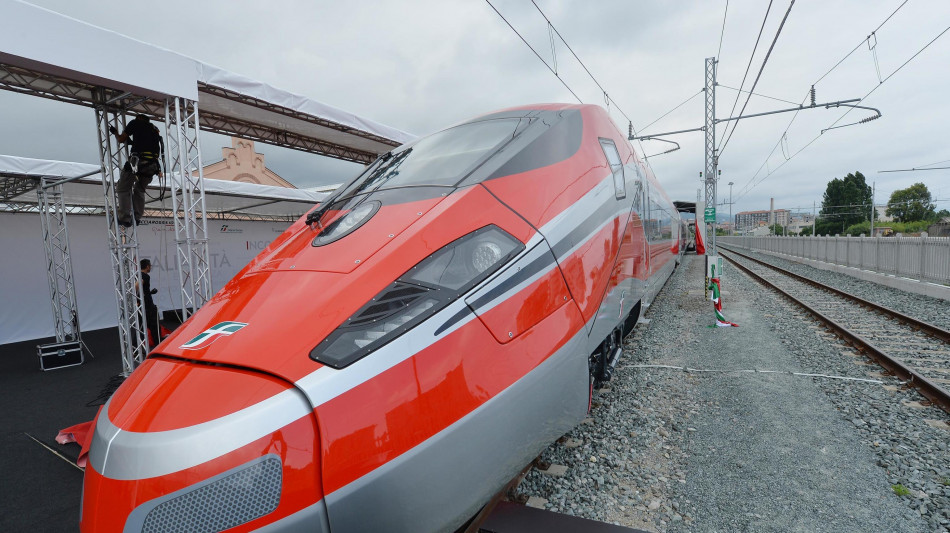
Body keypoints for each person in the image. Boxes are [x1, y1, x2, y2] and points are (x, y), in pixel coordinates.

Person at [109, 115, 163, 226]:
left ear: (138, 118)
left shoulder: (135, 123)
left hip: (138, 162)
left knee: (123, 188)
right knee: (140, 190)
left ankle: (125, 218)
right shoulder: (154, 129)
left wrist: (115, 133)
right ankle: (137, 217)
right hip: (152, 166)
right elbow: (143, 144)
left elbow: (121, 139)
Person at [140, 259, 161, 347]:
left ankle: (135, 346)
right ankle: (158, 344)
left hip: (142, 304)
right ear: (147, 266)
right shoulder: (145, 276)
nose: (150, 267)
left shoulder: (137, 275)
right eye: (150, 266)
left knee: (142, 326)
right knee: (154, 325)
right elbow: (137, 286)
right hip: (147, 305)